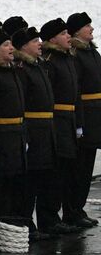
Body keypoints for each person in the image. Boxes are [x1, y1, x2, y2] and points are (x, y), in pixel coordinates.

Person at [0, 27, 29, 228]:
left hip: (16, 136)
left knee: (15, 183)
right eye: (5, 45)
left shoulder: (13, 71)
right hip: (1, 137)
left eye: (11, 44)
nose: (11, 48)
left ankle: (13, 224)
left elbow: (21, 109)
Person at [15, 25, 58, 239]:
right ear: (23, 46)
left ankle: (46, 221)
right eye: (34, 41)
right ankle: (26, 224)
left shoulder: (38, 66)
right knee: (29, 182)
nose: (40, 44)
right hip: (33, 131)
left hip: (45, 130)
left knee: (44, 177)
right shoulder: (23, 68)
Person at [40, 17, 81, 233]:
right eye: (64, 34)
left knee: (66, 170)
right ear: (53, 38)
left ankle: (61, 215)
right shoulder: (50, 61)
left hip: (69, 121)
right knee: (54, 172)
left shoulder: (67, 58)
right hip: (56, 122)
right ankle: (49, 218)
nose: (68, 37)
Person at [69, 12, 100, 227]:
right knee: (78, 167)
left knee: (88, 164)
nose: (92, 29)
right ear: (77, 31)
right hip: (85, 114)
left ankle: (78, 209)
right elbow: (76, 88)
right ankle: (71, 210)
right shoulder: (76, 54)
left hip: (95, 114)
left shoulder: (92, 52)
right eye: (87, 26)